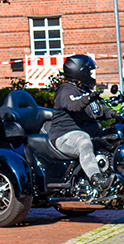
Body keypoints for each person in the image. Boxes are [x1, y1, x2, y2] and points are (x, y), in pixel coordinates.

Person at [48, 55, 117, 193]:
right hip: (65, 135)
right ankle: (97, 179)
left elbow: (100, 109)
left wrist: (116, 114)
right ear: (80, 72)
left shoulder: (84, 91)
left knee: (114, 136)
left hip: (86, 131)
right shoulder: (65, 90)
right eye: (89, 72)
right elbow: (74, 104)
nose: (91, 75)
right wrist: (88, 98)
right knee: (83, 142)